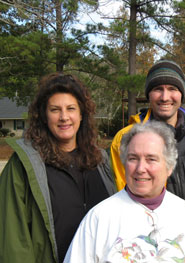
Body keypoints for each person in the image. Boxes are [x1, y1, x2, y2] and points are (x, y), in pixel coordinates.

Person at [0, 73, 116, 263]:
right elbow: (13, 240)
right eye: (55, 109)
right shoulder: (24, 165)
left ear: (81, 114)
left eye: (71, 108)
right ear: (44, 116)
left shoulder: (100, 161)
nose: (64, 117)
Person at [64, 121, 185, 263]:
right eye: (133, 158)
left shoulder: (184, 213)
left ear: (169, 167)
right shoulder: (99, 217)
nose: (140, 168)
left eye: (151, 159)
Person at [110, 59, 185, 239]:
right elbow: (121, 197)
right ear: (149, 94)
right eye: (158, 89)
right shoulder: (126, 139)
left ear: (181, 94)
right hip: (149, 243)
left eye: (172, 89)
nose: (165, 97)